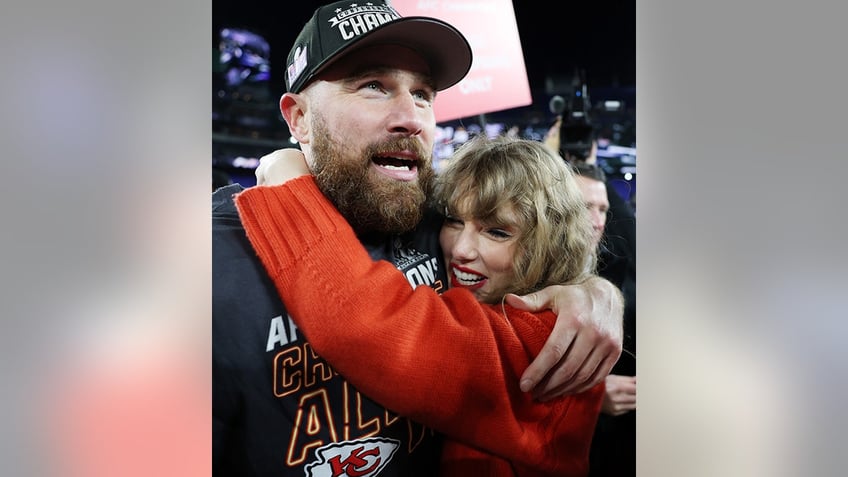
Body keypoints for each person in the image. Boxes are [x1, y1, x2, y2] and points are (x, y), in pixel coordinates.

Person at [213, 2, 622, 475]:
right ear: (298, 119)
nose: (412, 117)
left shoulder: (427, 220)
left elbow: (368, 323)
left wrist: (593, 291)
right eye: (373, 86)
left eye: (424, 93)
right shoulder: (206, 263)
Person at [236, 135, 611, 476]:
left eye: (497, 231)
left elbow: (362, 322)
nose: (461, 250)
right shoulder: (527, 304)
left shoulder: (549, 333)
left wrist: (287, 182)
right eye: (454, 221)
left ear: (551, 241)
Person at [571, 162, 636, 477]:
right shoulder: (523, 281)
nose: (597, 222)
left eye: (603, 209)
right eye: (585, 208)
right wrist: (589, 397)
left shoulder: (620, 277)